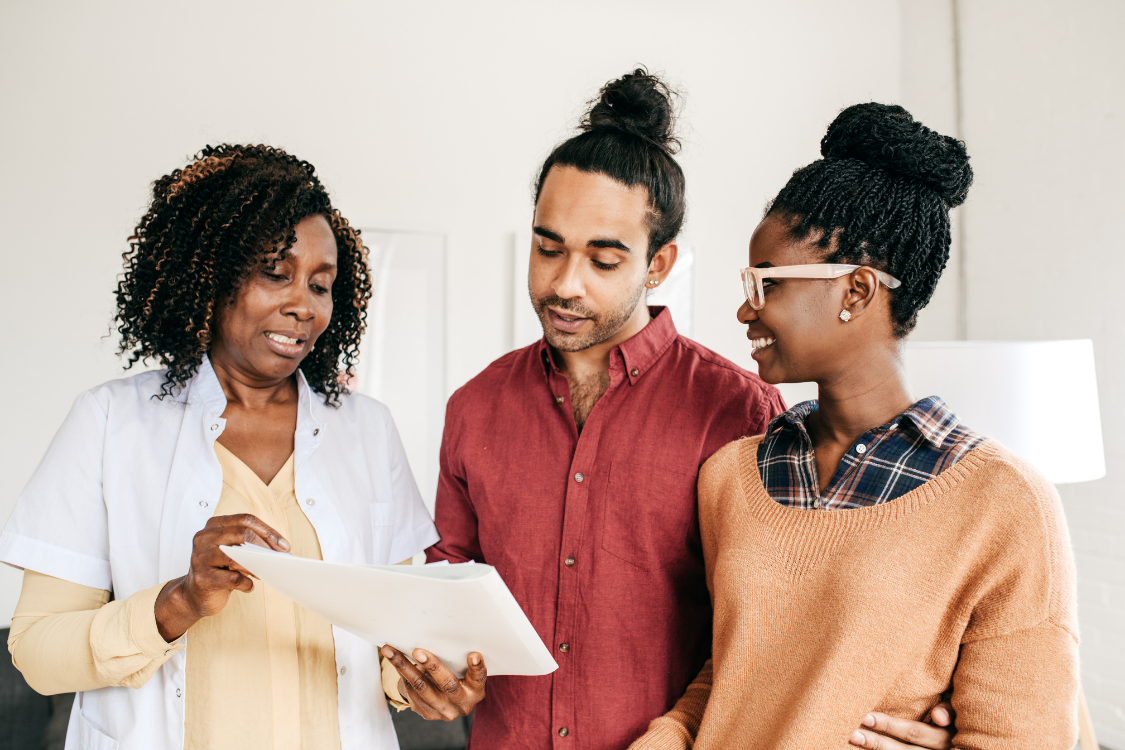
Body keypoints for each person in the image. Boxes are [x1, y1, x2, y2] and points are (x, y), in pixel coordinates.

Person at [383, 71, 959, 750]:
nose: (563, 284)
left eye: (603, 259)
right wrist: (432, 673)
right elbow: (450, 588)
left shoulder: (742, 412)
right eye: (547, 248)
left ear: (658, 265)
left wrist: (918, 709)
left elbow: (790, 629)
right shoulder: (475, 408)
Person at [630, 103, 1080, 749]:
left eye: (766, 284)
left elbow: (1023, 738)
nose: (742, 310)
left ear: (856, 291)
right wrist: (667, 737)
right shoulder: (729, 476)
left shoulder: (1005, 503)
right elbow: (729, 678)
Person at [1, 145, 438, 750]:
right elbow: (37, 652)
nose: (303, 306)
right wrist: (178, 601)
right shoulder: (110, 422)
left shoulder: (368, 430)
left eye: (321, 284)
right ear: (209, 275)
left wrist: (421, 683)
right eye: (275, 274)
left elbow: (397, 637)